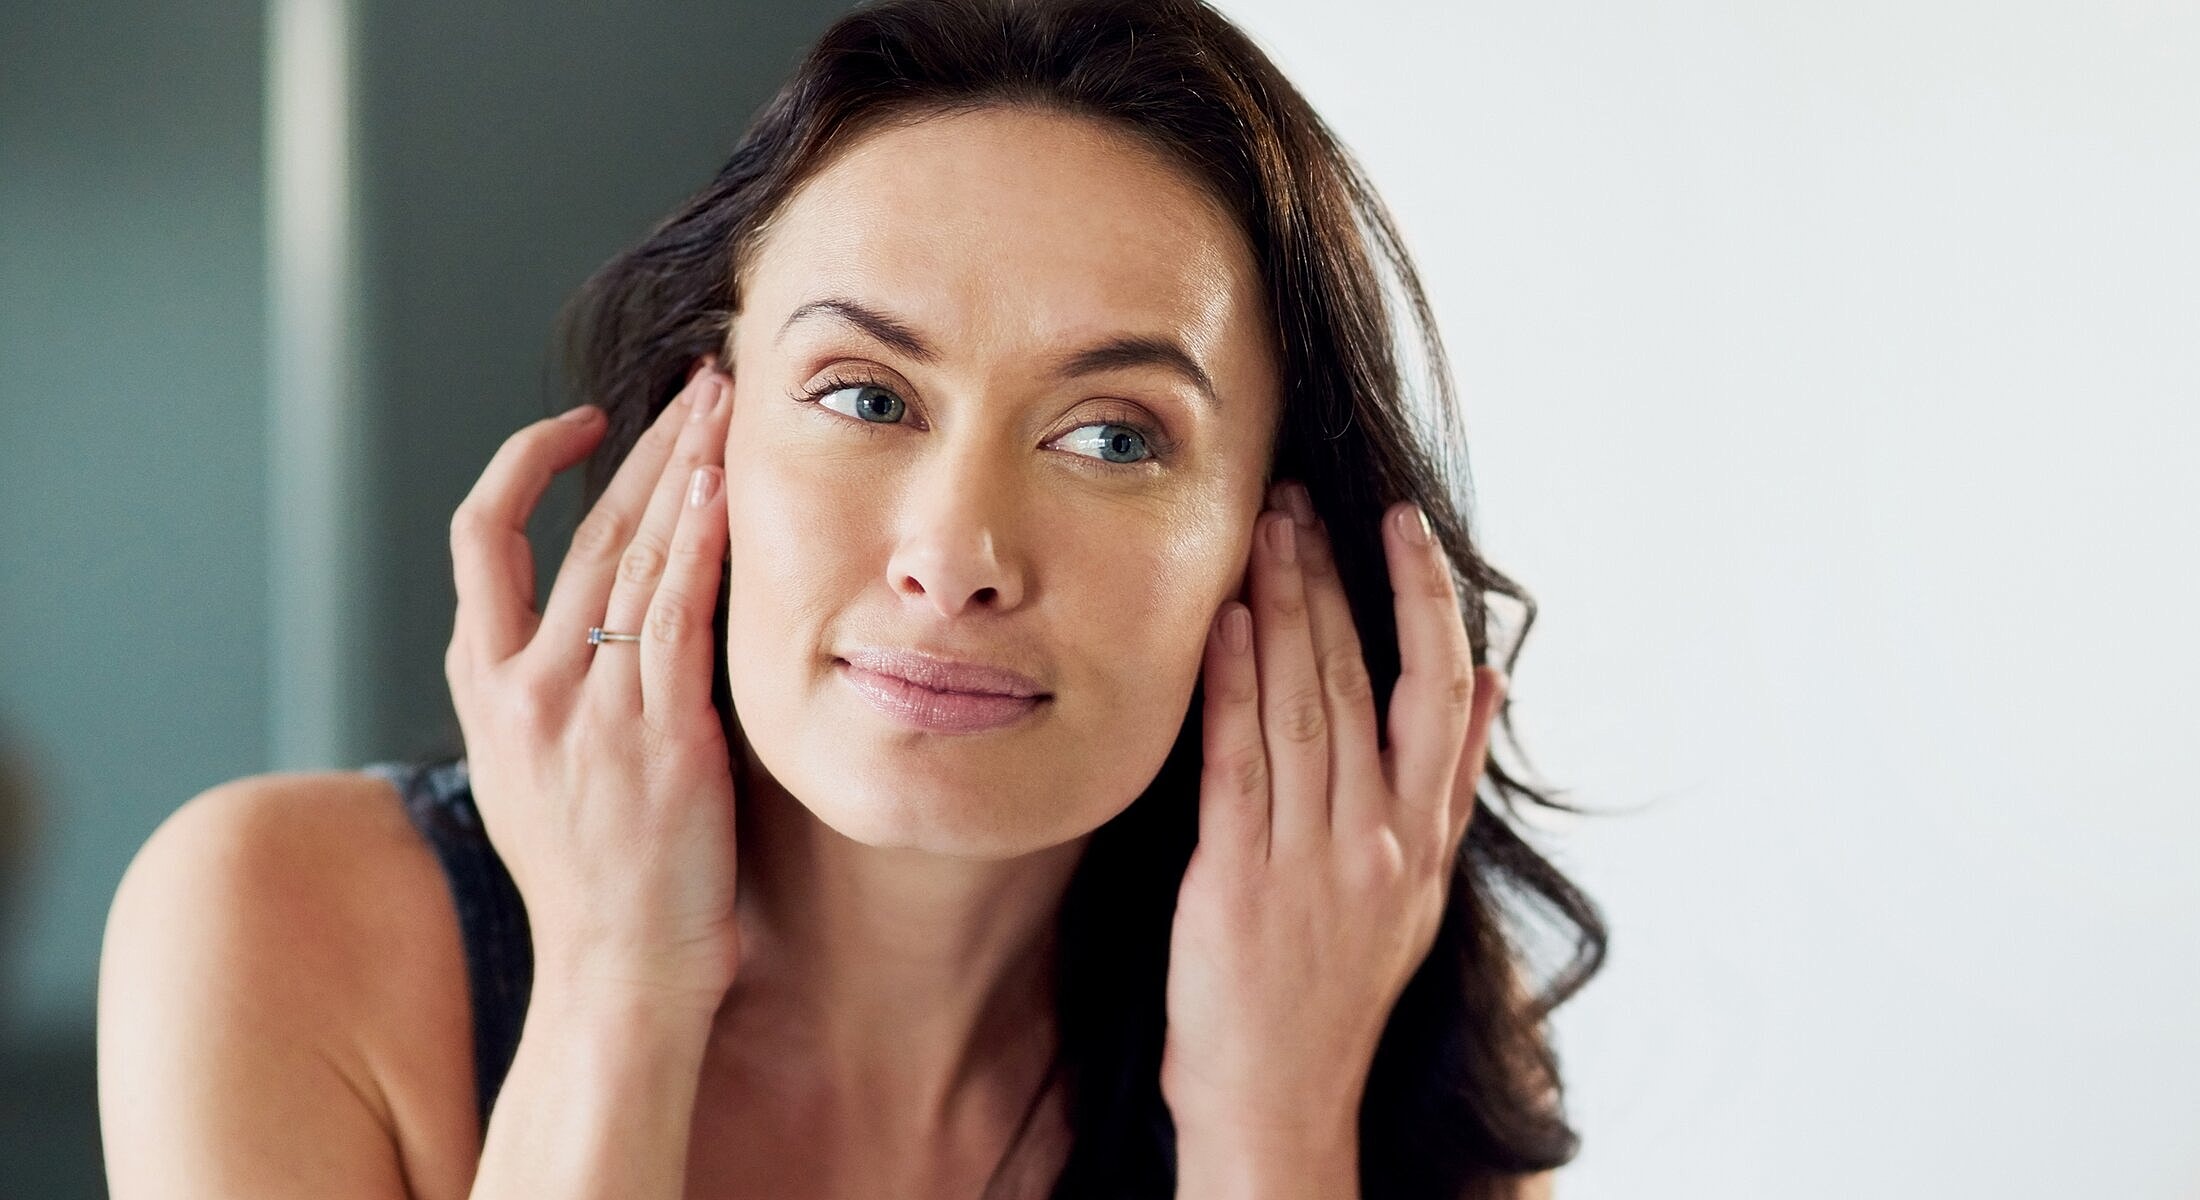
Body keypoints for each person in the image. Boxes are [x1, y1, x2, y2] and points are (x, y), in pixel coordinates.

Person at [96, 0, 1606, 1196]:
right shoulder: (278, 929)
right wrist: (617, 986)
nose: (955, 557)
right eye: (866, 397)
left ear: (1276, 536)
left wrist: (1270, 1126)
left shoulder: (1389, 1033)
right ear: (710, 435)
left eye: (1112, 437)